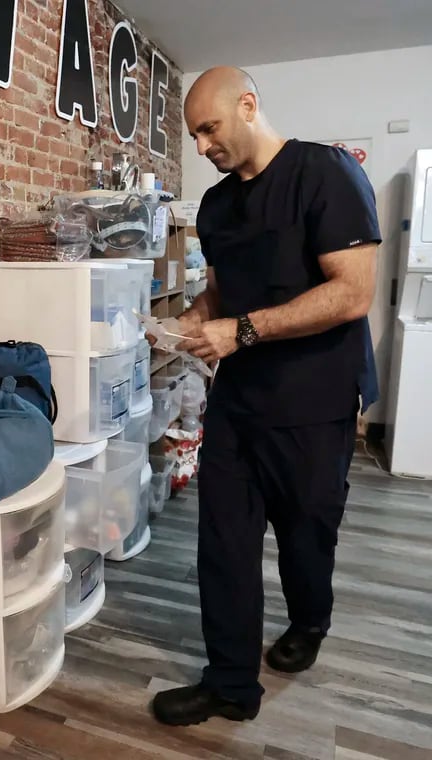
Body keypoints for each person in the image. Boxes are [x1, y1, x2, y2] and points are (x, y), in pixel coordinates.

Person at [148, 66, 380, 726]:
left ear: (248, 106)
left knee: (307, 535)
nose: (200, 146)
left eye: (209, 129)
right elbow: (224, 292)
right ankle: (229, 683)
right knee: (223, 543)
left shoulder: (326, 174)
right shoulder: (217, 207)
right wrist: (193, 319)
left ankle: (310, 619)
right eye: (193, 134)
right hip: (240, 404)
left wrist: (241, 331)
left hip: (316, 401)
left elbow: (352, 292)